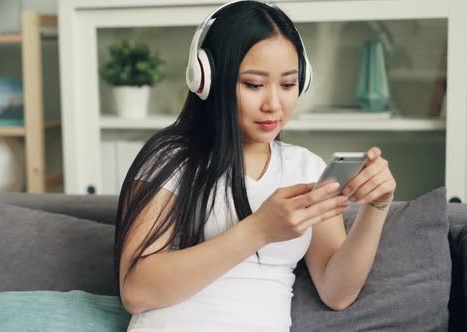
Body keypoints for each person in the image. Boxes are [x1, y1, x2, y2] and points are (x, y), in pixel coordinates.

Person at [114, 1, 397, 331]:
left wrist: (377, 207)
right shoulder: (170, 157)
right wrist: (259, 230)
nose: (274, 104)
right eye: (254, 84)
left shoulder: (304, 166)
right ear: (208, 78)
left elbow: (337, 293)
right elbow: (135, 291)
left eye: (288, 85)